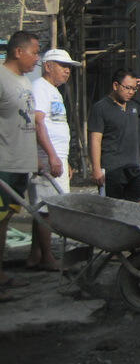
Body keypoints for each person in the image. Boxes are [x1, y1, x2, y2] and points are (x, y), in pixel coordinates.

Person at [26, 49, 81, 271]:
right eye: (62, 66)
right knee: (47, 210)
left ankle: (36, 254)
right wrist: (50, 156)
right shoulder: (40, 87)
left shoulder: (54, 91)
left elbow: (54, 125)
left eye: (69, 67)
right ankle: (48, 257)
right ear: (48, 66)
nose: (67, 71)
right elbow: (38, 123)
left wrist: (63, 159)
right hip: (46, 159)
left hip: (56, 157)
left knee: (42, 208)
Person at [0, 31, 39, 302]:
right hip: (3, 163)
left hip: (19, 165)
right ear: (18, 51)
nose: (37, 58)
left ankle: (1, 273)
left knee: (4, 221)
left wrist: (35, 158)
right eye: (34, 53)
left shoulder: (24, 81)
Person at [88, 68, 140, 203]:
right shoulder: (101, 108)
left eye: (134, 89)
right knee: (114, 209)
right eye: (127, 88)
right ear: (115, 85)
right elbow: (95, 140)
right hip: (112, 169)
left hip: (134, 168)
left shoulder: (133, 105)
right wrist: (96, 168)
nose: (131, 92)